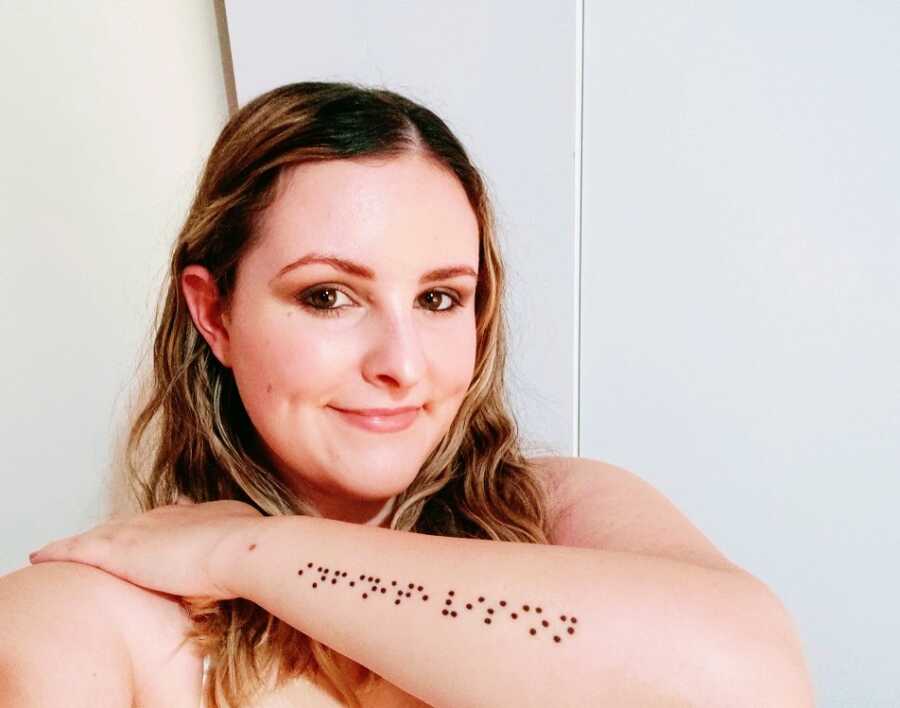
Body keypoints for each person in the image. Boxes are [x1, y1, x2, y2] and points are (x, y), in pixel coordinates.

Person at [0, 82, 814, 707]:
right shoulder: (84, 619)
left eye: (438, 299)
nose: (402, 363)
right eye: (327, 296)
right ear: (214, 313)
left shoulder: (562, 515)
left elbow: (750, 680)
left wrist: (251, 552)